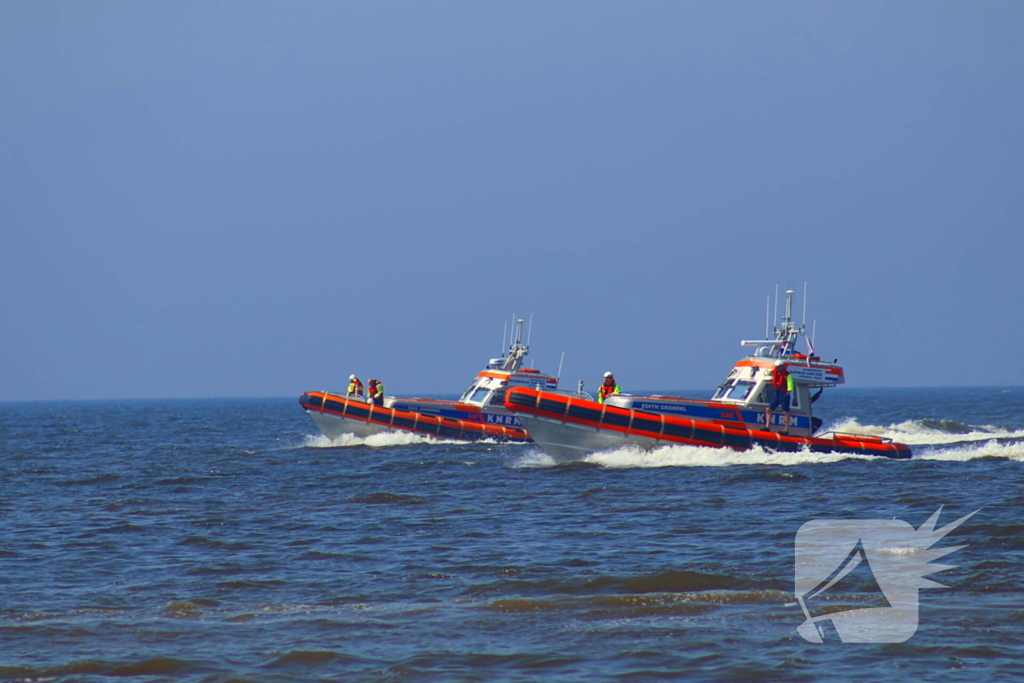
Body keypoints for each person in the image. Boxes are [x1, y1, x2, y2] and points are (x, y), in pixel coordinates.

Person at [765, 364, 795, 434]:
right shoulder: (774, 372)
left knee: (785, 412)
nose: (777, 368)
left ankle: (786, 429)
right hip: (777, 392)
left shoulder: (787, 374)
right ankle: (767, 427)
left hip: (784, 392)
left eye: (778, 366)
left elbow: (790, 383)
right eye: (776, 367)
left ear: (782, 366)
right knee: (768, 409)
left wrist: (789, 391)